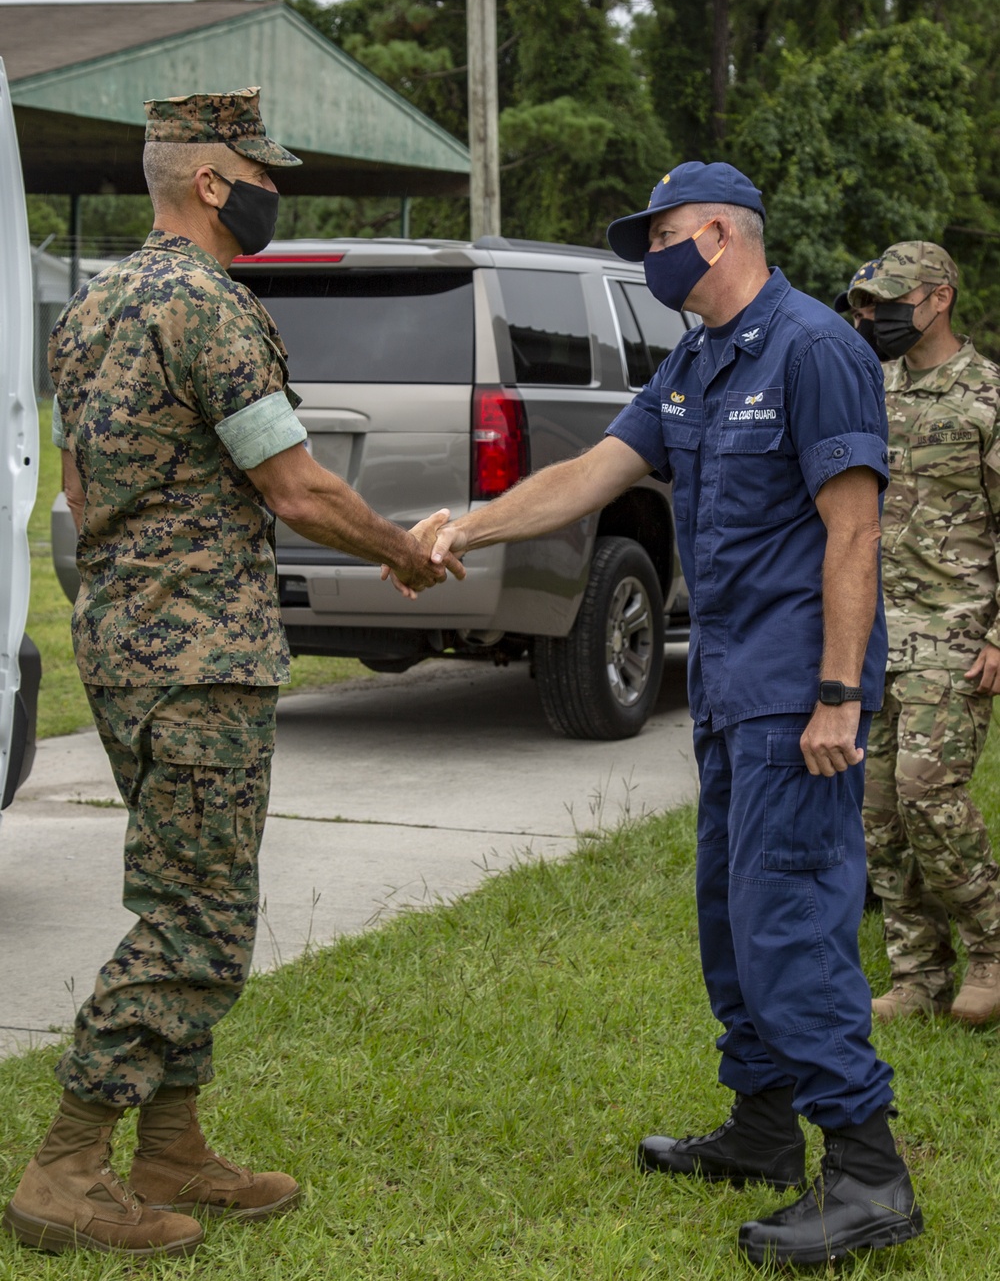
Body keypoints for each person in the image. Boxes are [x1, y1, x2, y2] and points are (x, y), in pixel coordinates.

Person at [423, 161, 923, 1268]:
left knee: (790, 922)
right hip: (729, 690)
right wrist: (473, 526)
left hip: (801, 692)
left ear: (716, 234)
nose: (645, 256)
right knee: (730, 919)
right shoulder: (697, 359)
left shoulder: (815, 349)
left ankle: (869, 1172)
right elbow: (591, 474)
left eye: (657, 236)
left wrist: (840, 692)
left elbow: (854, 533)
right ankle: (759, 1133)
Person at [3, 88, 463, 1259]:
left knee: (179, 890)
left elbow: (79, 493)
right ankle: (65, 1166)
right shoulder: (208, 307)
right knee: (199, 919)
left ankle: (173, 1148)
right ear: (213, 180)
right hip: (203, 658)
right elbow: (297, 486)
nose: (275, 193)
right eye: (263, 174)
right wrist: (405, 553)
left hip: (124, 648)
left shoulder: (93, 305)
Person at [846, 241, 1000, 1024]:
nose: (876, 318)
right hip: (875, 634)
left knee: (929, 796)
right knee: (878, 812)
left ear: (939, 297)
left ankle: (991, 946)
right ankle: (917, 973)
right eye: (867, 306)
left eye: (891, 302)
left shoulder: (989, 396)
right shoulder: (871, 388)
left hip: (955, 631)